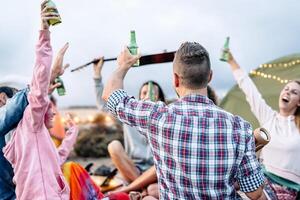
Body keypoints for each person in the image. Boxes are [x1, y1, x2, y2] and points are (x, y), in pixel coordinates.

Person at [102, 42, 266, 199]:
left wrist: (124, 65)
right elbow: (255, 193)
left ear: (175, 79)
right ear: (210, 77)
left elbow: (110, 95)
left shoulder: (156, 116)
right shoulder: (239, 128)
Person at [3, 2, 78, 199]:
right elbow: (37, 90)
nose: (53, 112)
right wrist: (44, 33)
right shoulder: (31, 124)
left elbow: (57, 158)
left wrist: (72, 133)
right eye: (49, 106)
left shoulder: (33, 135)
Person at [226, 51, 300, 199]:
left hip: (286, 187)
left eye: (294, 92)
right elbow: (249, 88)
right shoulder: (268, 117)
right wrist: (231, 60)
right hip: (261, 177)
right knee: (227, 185)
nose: (287, 92)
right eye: (286, 89)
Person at [92, 58, 165, 184]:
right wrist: (97, 76)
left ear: (160, 98)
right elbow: (104, 106)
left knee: (153, 189)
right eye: (144, 92)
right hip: (133, 169)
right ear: (139, 97)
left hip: (155, 170)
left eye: (153, 92)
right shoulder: (130, 115)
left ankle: (140, 189)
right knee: (113, 146)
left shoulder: (166, 117)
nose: (148, 95)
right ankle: (141, 188)